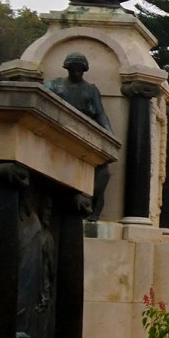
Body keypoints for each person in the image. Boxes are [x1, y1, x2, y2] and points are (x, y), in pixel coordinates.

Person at [46, 53, 115, 220]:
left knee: (102, 172)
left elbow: (100, 114)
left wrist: (109, 136)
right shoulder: (54, 85)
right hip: (60, 132)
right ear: (67, 68)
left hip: (85, 133)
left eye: (80, 69)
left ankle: (92, 209)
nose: (77, 72)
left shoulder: (90, 89)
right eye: (74, 68)